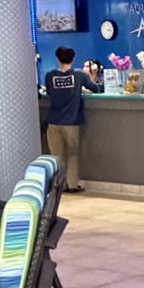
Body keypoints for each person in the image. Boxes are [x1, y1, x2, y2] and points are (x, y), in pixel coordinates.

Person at [43, 47, 100, 192]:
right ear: (73, 59)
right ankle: (72, 184)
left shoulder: (50, 76)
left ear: (57, 58)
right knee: (72, 154)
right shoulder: (79, 75)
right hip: (71, 121)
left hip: (53, 121)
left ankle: (59, 186)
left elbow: (49, 92)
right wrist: (91, 77)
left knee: (57, 157)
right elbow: (96, 89)